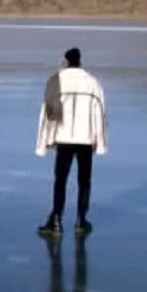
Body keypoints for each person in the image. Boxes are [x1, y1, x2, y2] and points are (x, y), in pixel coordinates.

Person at [36, 47, 107, 236]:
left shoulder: (56, 80)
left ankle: (56, 221)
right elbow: (100, 112)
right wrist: (100, 143)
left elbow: (47, 112)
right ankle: (81, 221)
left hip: (63, 138)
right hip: (86, 139)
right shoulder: (93, 82)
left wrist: (43, 143)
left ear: (65, 62)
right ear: (80, 62)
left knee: (60, 180)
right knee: (84, 180)